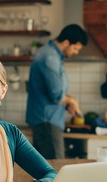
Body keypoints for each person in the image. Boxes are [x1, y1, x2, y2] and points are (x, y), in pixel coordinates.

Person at [26, 24, 88, 159]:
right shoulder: (50, 58)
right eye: (76, 48)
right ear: (66, 43)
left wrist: (67, 104)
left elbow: (55, 92)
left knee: (47, 170)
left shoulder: (53, 55)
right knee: (54, 169)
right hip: (47, 122)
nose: (76, 53)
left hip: (47, 121)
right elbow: (56, 94)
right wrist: (72, 101)